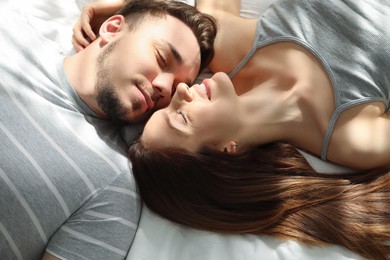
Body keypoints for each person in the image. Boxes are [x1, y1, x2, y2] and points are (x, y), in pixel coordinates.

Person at [76, 0, 390, 259]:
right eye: (181, 117)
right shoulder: (351, 137)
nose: (183, 92)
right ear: (226, 151)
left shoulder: (223, 44)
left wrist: (131, 12)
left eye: (169, 103)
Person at [0, 0, 216, 259]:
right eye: (161, 58)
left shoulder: (114, 185)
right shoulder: (11, 28)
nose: (165, 87)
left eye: (177, 85)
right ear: (112, 28)